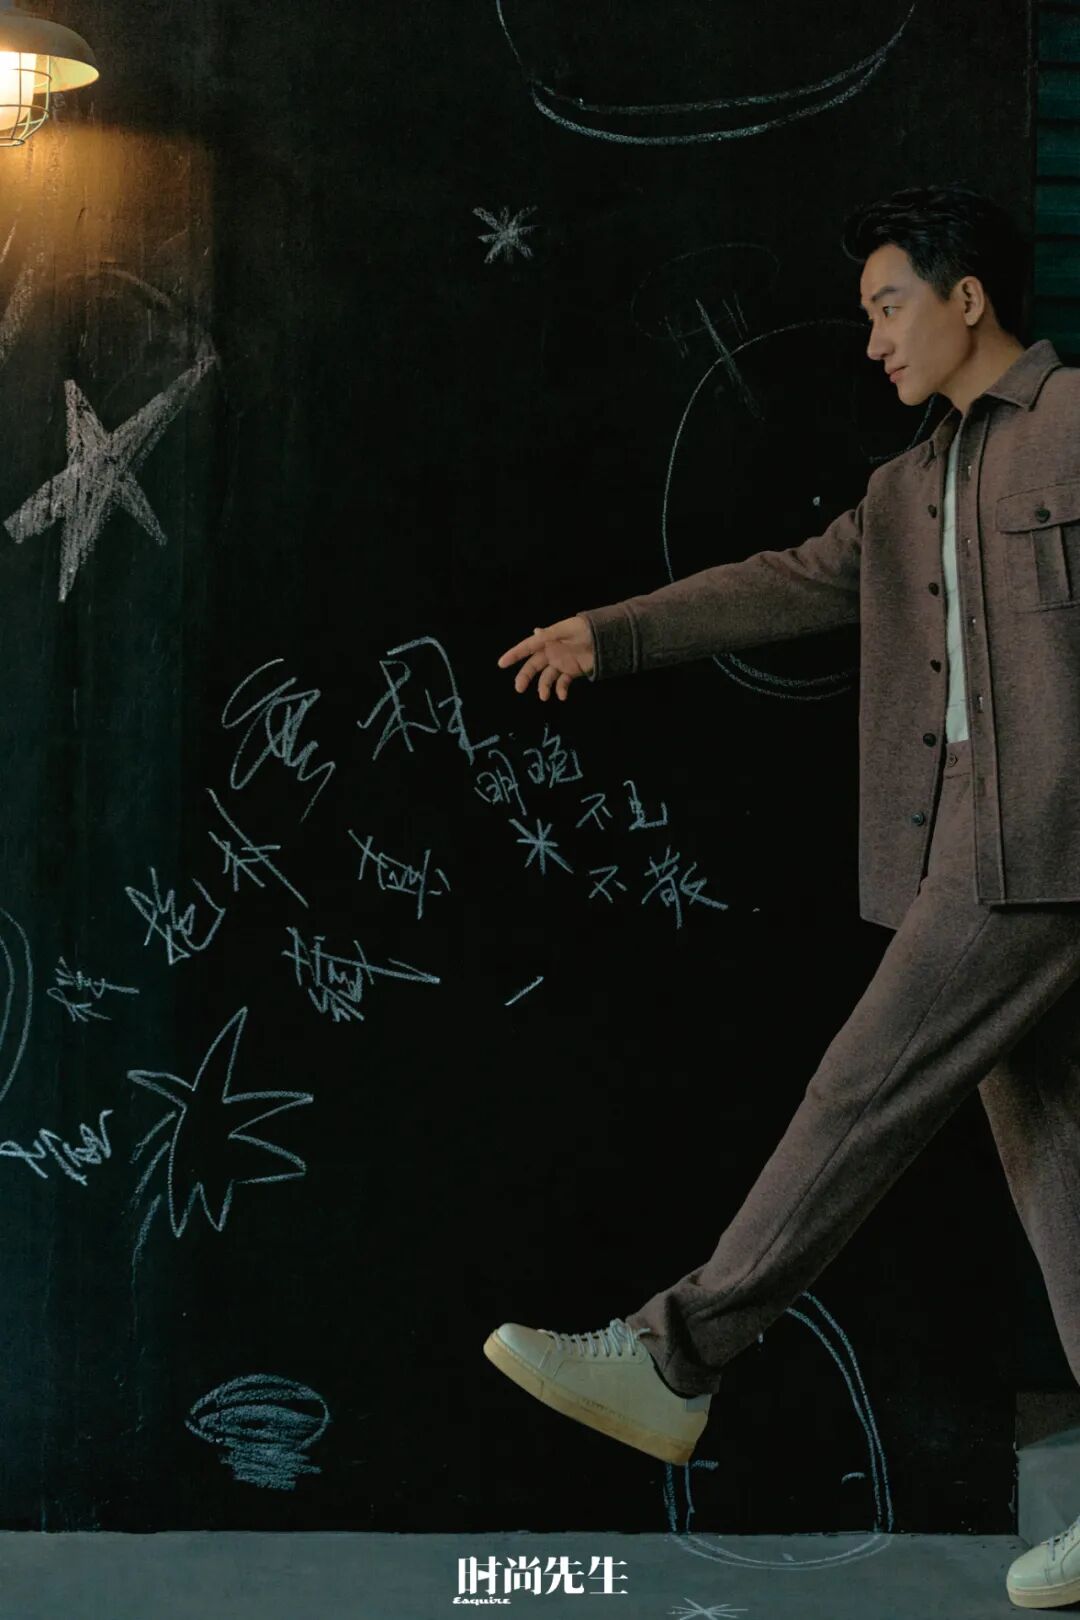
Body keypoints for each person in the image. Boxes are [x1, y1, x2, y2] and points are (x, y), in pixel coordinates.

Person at [483, 182, 1080, 1612]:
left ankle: (677, 1355)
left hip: (1042, 839)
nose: (873, 339)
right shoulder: (909, 486)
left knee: (859, 1090)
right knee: (1061, 1166)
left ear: (967, 298)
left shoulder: (1078, 425)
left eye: (889, 305)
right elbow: (786, 584)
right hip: (968, 841)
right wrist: (614, 636)